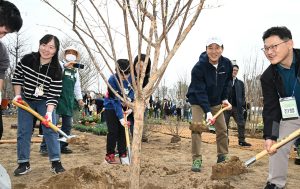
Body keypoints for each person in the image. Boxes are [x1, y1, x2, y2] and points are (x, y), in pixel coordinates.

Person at [12, 34, 65, 176]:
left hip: (45, 101)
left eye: (51, 47)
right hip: (26, 99)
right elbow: (17, 78)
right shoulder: (28, 59)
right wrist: (17, 95)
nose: (46, 49)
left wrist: (48, 114)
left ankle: (56, 162)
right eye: (44, 45)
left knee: (50, 130)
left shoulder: (57, 69)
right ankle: (23, 163)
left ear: (55, 50)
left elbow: (54, 94)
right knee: (24, 130)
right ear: (39, 44)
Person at [260, 26, 300, 189]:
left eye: (274, 47)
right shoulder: (268, 76)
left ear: (289, 44)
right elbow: (271, 108)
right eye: (266, 48)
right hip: (293, 117)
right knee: (277, 145)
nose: (269, 52)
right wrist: (270, 136)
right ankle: (275, 183)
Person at [186, 36, 233, 172]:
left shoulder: (227, 64)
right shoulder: (199, 67)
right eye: (210, 48)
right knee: (196, 128)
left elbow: (227, 83)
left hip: (216, 100)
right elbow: (200, 91)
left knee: (222, 129)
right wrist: (207, 112)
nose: (214, 51)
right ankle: (196, 159)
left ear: (222, 49)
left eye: (217, 48)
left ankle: (222, 156)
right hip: (197, 100)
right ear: (206, 50)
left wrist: (224, 98)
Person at [40, 46, 85, 155]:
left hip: (68, 101)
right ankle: (45, 147)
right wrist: (64, 66)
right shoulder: (59, 64)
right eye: (69, 52)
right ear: (65, 55)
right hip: (56, 99)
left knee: (67, 126)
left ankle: (62, 146)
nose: (71, 54)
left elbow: (77, 87)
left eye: (73, 53)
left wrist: (80, 99)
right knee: (51, 124)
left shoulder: (75, 71)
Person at [104, 59, 134, 164]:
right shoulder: (112, 80)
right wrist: (121, 117)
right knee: (113, 131)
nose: (125, 77)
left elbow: (133, 91)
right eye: (122, 75)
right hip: (111, 108)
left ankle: (123, 153)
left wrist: (129, 100)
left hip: (125, 107)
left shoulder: (131, 79)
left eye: (127, 74)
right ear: (117, 71)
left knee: (123, 131)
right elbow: (114, 100)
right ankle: (110, 154)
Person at [0, 0, 23, 140]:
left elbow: (1, 72)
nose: (2, 36)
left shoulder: (1, 51)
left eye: (5, 34)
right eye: (3, 31)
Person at [224, 65, 251, 146]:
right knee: (224, 124)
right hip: (226, 107)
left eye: (236, 70)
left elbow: (243, 95)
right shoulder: (225, 81)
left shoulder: (240, 83)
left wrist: (244, 105)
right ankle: (225, 141)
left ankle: (241, 141)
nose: (235, 71)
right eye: (233, 70)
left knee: (241, 123)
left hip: (237, 107)